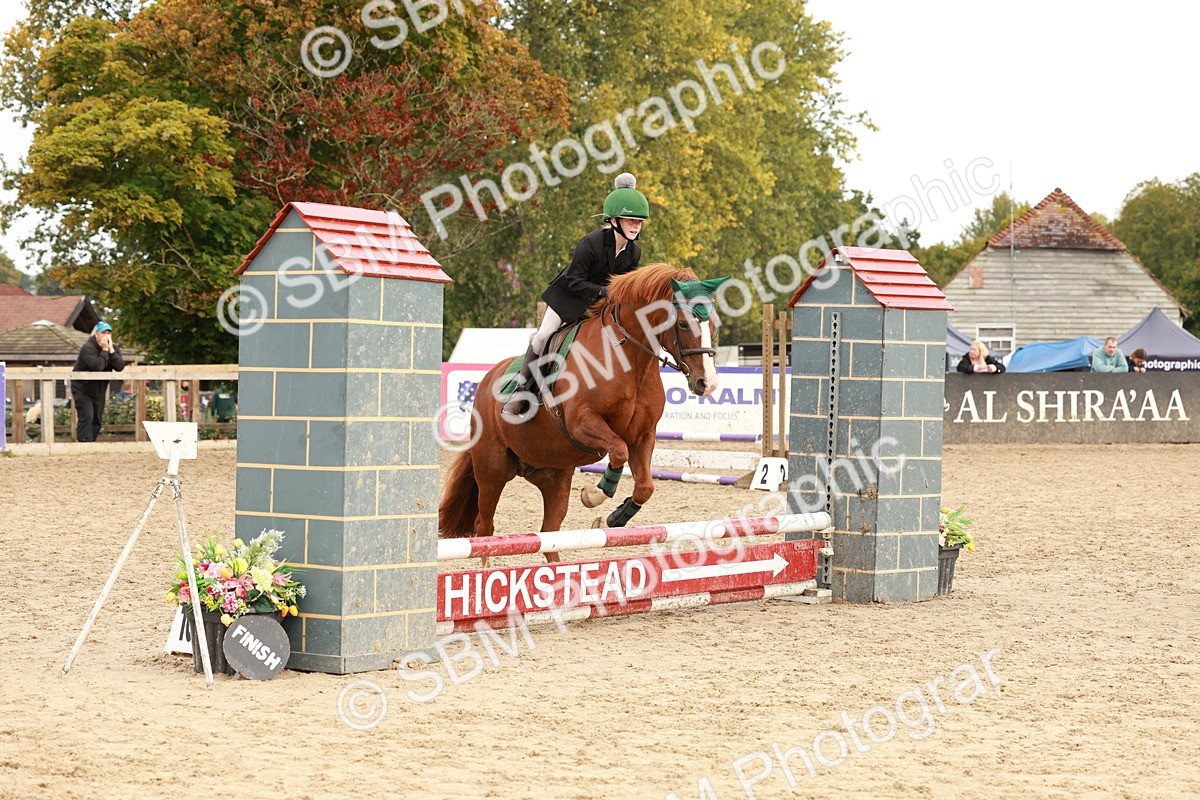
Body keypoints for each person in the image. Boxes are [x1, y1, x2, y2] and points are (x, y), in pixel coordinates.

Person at [502, 172, 649, 419]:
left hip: (601, 307)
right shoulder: (590, 243)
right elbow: (573, 280)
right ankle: (521, 390)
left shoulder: (634, 253)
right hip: (568, 299)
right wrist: (603, 291)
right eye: (629, 220)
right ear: (613, 220)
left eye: (639, 222)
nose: (635, 226)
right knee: (543, 337)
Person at [71, 321, 125, 442]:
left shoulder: (113, 349)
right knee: (87, 417)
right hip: (82, 389)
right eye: (103, 333)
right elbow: (98, 366)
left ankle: (91, 444)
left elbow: (120, 366)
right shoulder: (88, 348)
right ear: (96, 334)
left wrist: (111, 350)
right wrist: (105, 350)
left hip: (99, 391)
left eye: (108, 333)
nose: (106, 336)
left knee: (97, 420)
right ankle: (84, 445)